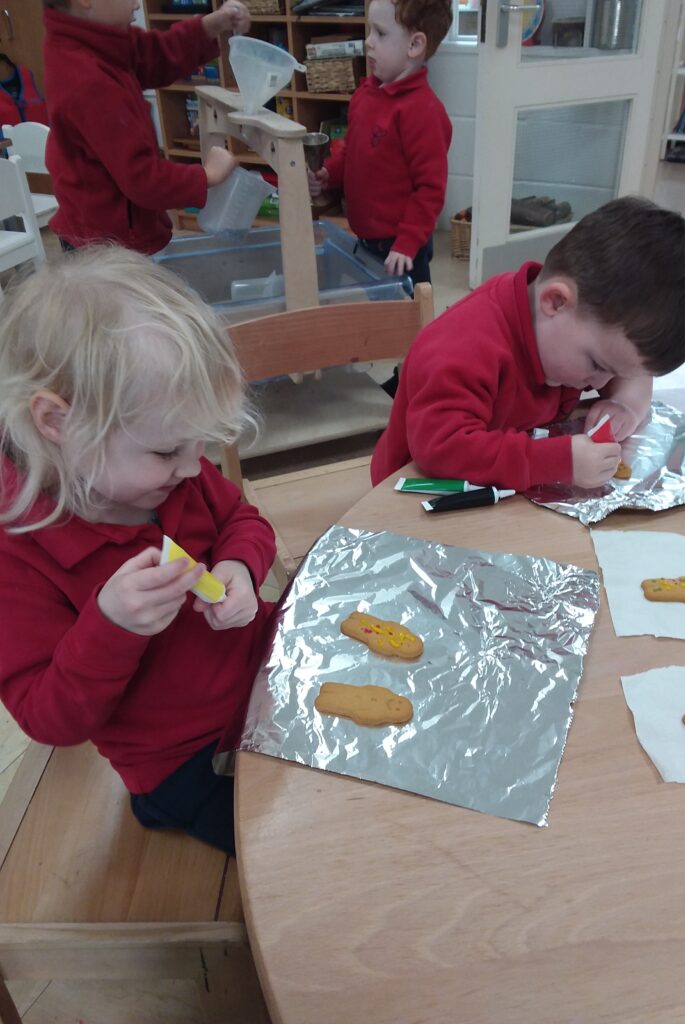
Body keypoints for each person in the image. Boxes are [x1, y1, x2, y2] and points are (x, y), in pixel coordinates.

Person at [0, 247, 277, 857]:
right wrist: (112, 625)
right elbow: (49, 719)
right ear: (58, 423)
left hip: (263, 677)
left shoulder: (176, 473)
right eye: (166, 450)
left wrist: (238, 566)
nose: (191, 467)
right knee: (287, 847)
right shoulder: (20, 552)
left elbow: (242, 518)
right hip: (182, 761)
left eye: (198, 445)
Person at [370, 196, 685, 490]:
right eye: (597, 365)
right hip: (418, 494)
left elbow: (633, 370)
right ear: (556, 302)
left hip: (503, 489)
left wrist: (626, 406)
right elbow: (440, 450)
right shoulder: (462, 348)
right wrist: (556, 461)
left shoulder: (579, 330)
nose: (599, 384)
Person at [41, 0, 250, 254]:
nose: (137, 3)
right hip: (106, 247)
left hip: (113, 229)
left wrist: (211, 25)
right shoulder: (86, 79)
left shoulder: (98, 41)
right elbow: (142, 179)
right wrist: (207, 175)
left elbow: (154, 54)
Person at [308, 0, 453, 286]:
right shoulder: (366, 94)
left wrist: (407, 243)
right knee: (380, 308)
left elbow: (430, 189)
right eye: (369, 30)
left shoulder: (423, 112)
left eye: (380, 33)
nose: (368, 42)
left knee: (410, 313)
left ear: (415, 45)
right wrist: (329, 174)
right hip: (367, 237)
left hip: (401, 246)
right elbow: (352, 151)